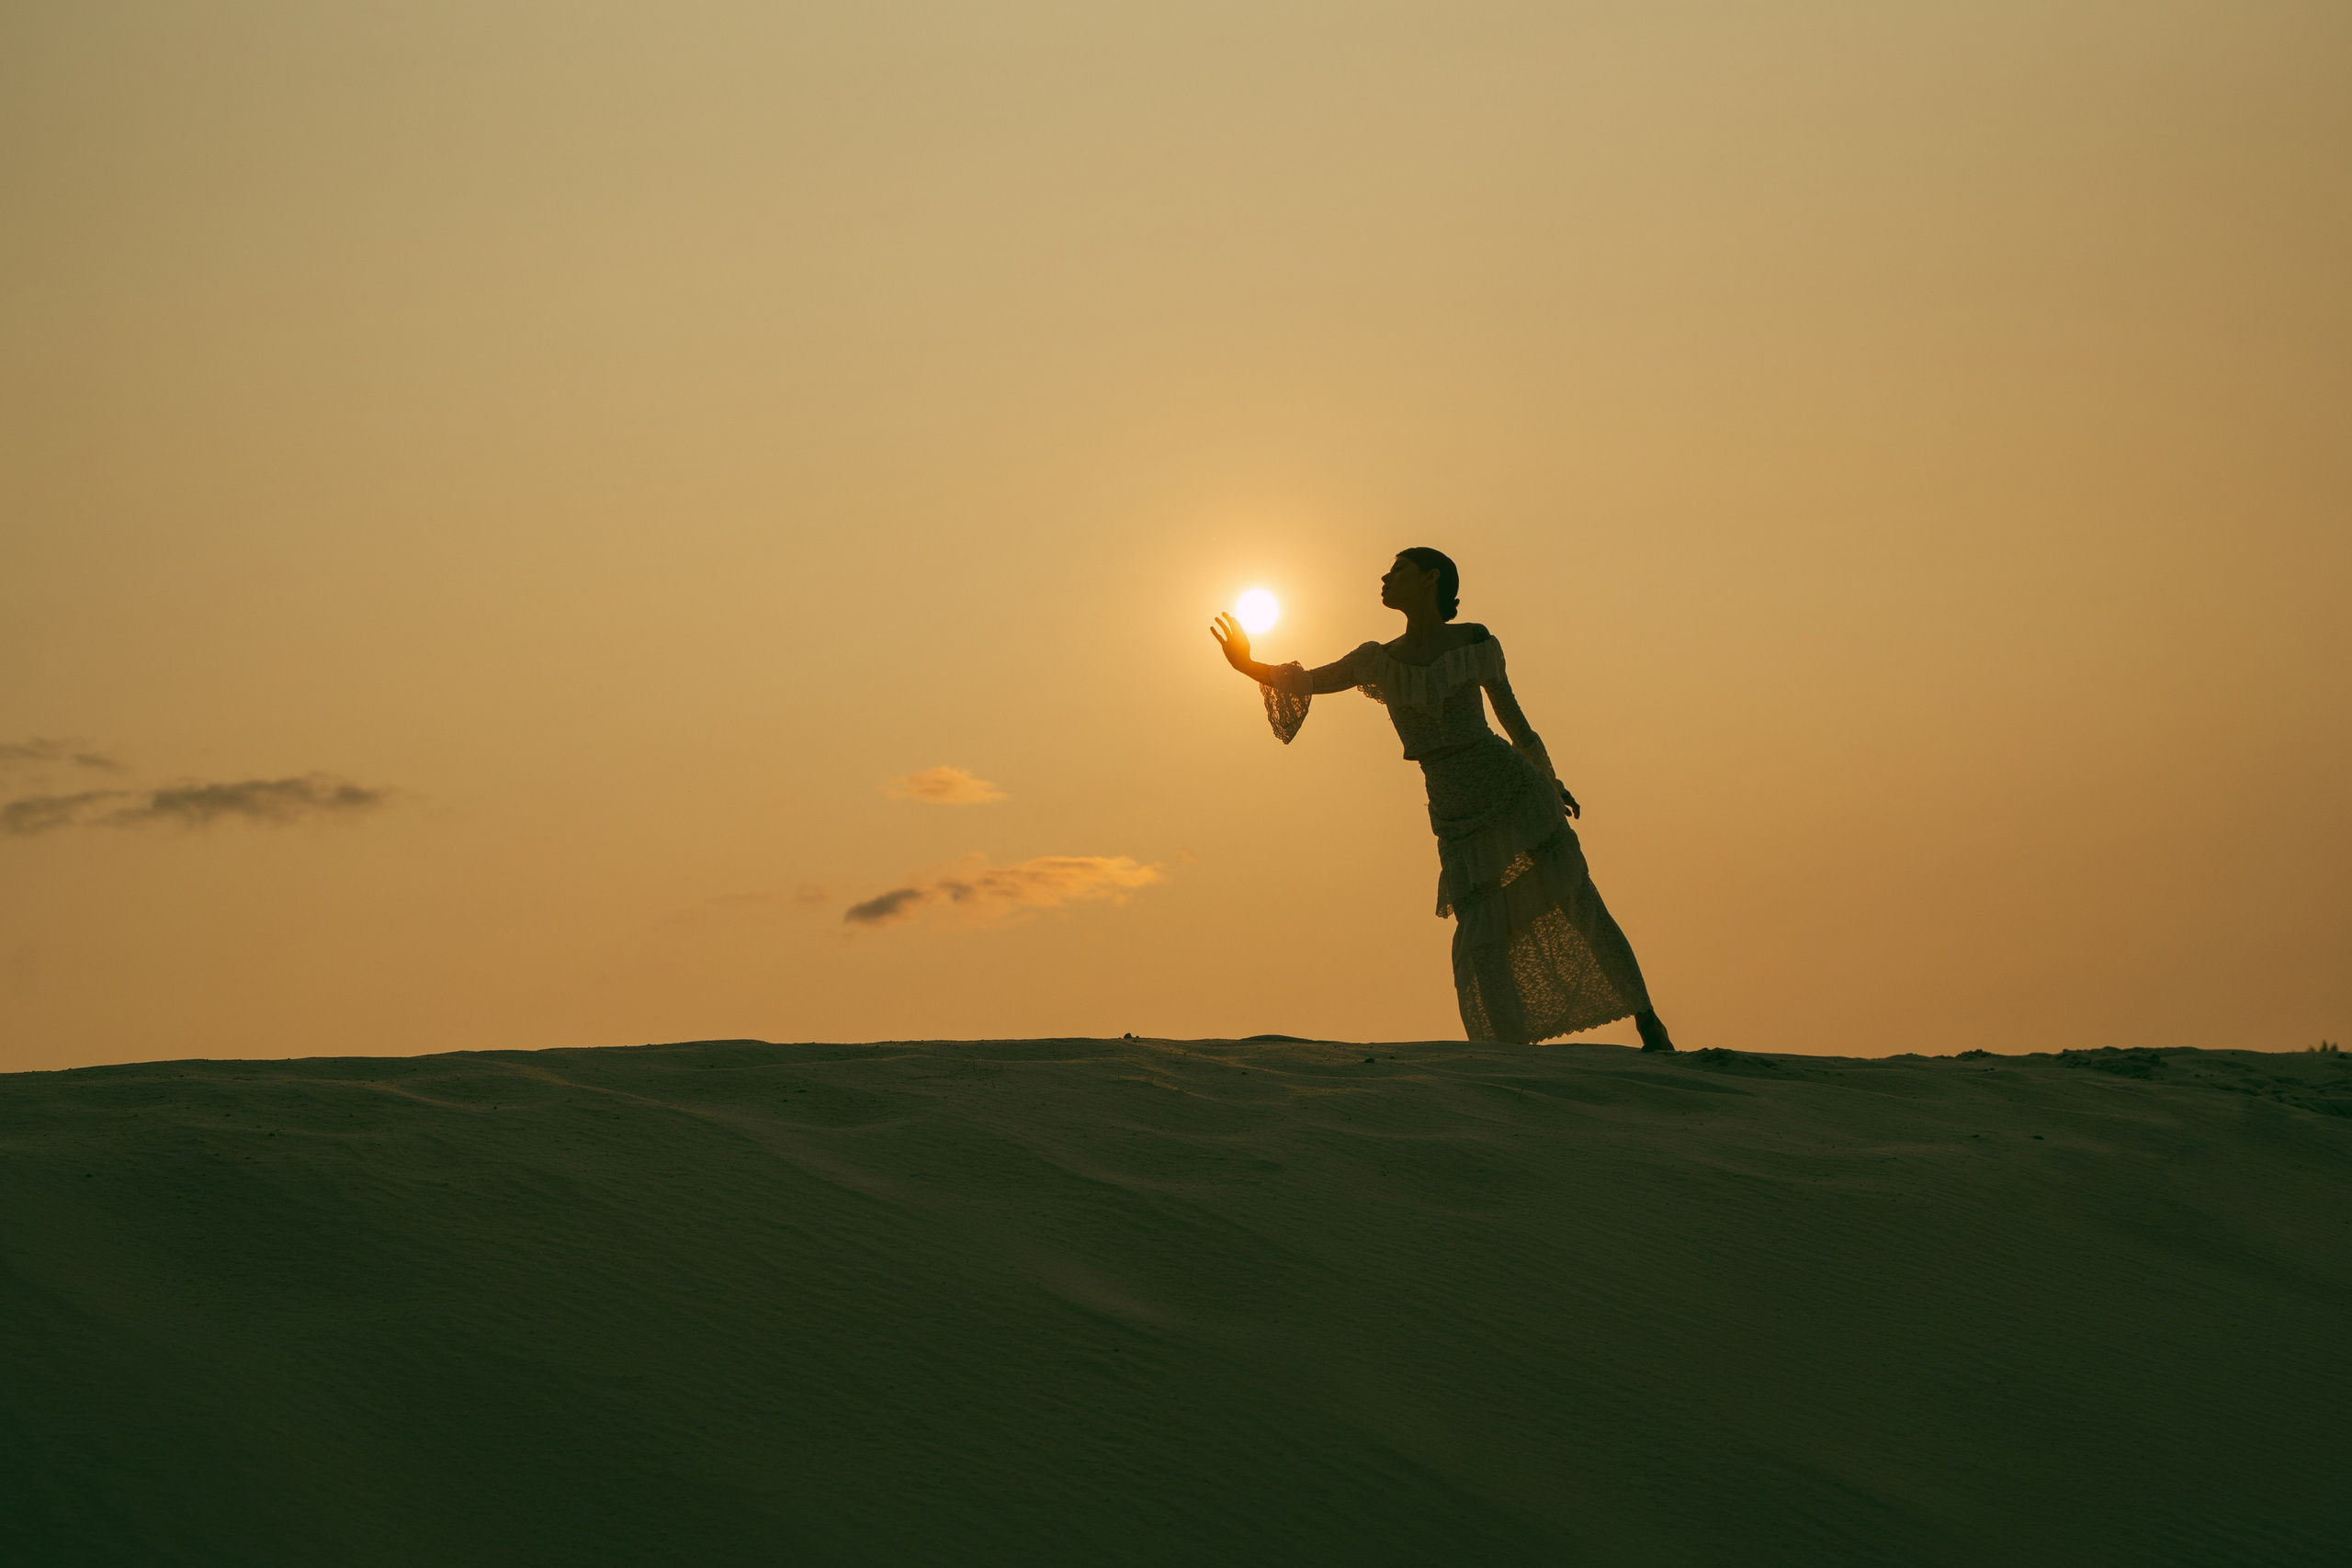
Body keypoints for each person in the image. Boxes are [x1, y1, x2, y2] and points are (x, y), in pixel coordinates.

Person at [1210, 548, 1676, 1051]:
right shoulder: (1375, 658)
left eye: (1399, 569)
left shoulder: (1474, 640)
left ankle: (1649, 1022)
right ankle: (1509, 1048)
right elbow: (1308, 682)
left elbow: (1514, 721)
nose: (1386, 577)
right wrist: (1244, 663)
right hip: (1454, 810)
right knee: (1480, 931)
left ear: (1431, 578)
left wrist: (1550, 780)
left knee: (1577, 900)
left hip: (1513, 788)